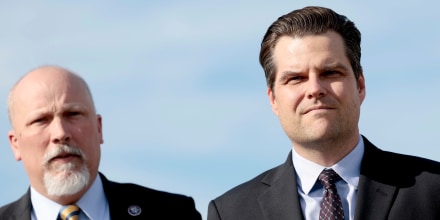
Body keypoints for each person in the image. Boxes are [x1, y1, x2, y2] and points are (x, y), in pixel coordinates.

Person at [207, 6, 440, 220]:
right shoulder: (231, 212)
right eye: (296, 78)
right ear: (273, 99)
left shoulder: (434, 189)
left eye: (330, 73)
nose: (315, 89)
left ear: (360, 86)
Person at [0, 65, 202, 219]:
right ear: (15, 144)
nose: (60, 133)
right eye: (41, 120)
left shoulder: (173, 214)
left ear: (99, 128)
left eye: (73, 114)